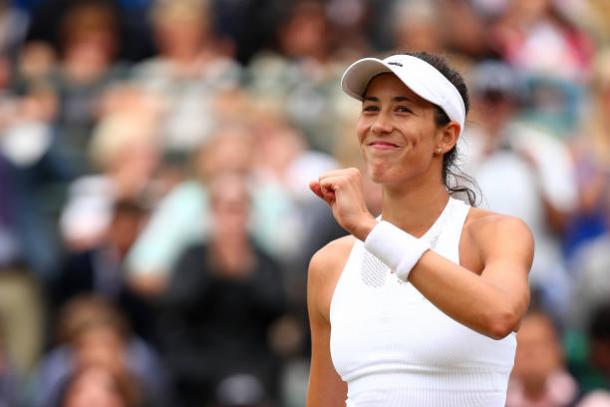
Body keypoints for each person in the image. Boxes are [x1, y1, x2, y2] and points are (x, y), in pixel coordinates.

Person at [306, 51, 534, 406]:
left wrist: (369, 229)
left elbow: (501, 314)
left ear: (446, 137)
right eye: (371, 108)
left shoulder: (493, 234)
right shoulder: (329, 264)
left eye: (403, 109)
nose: (379, 124)